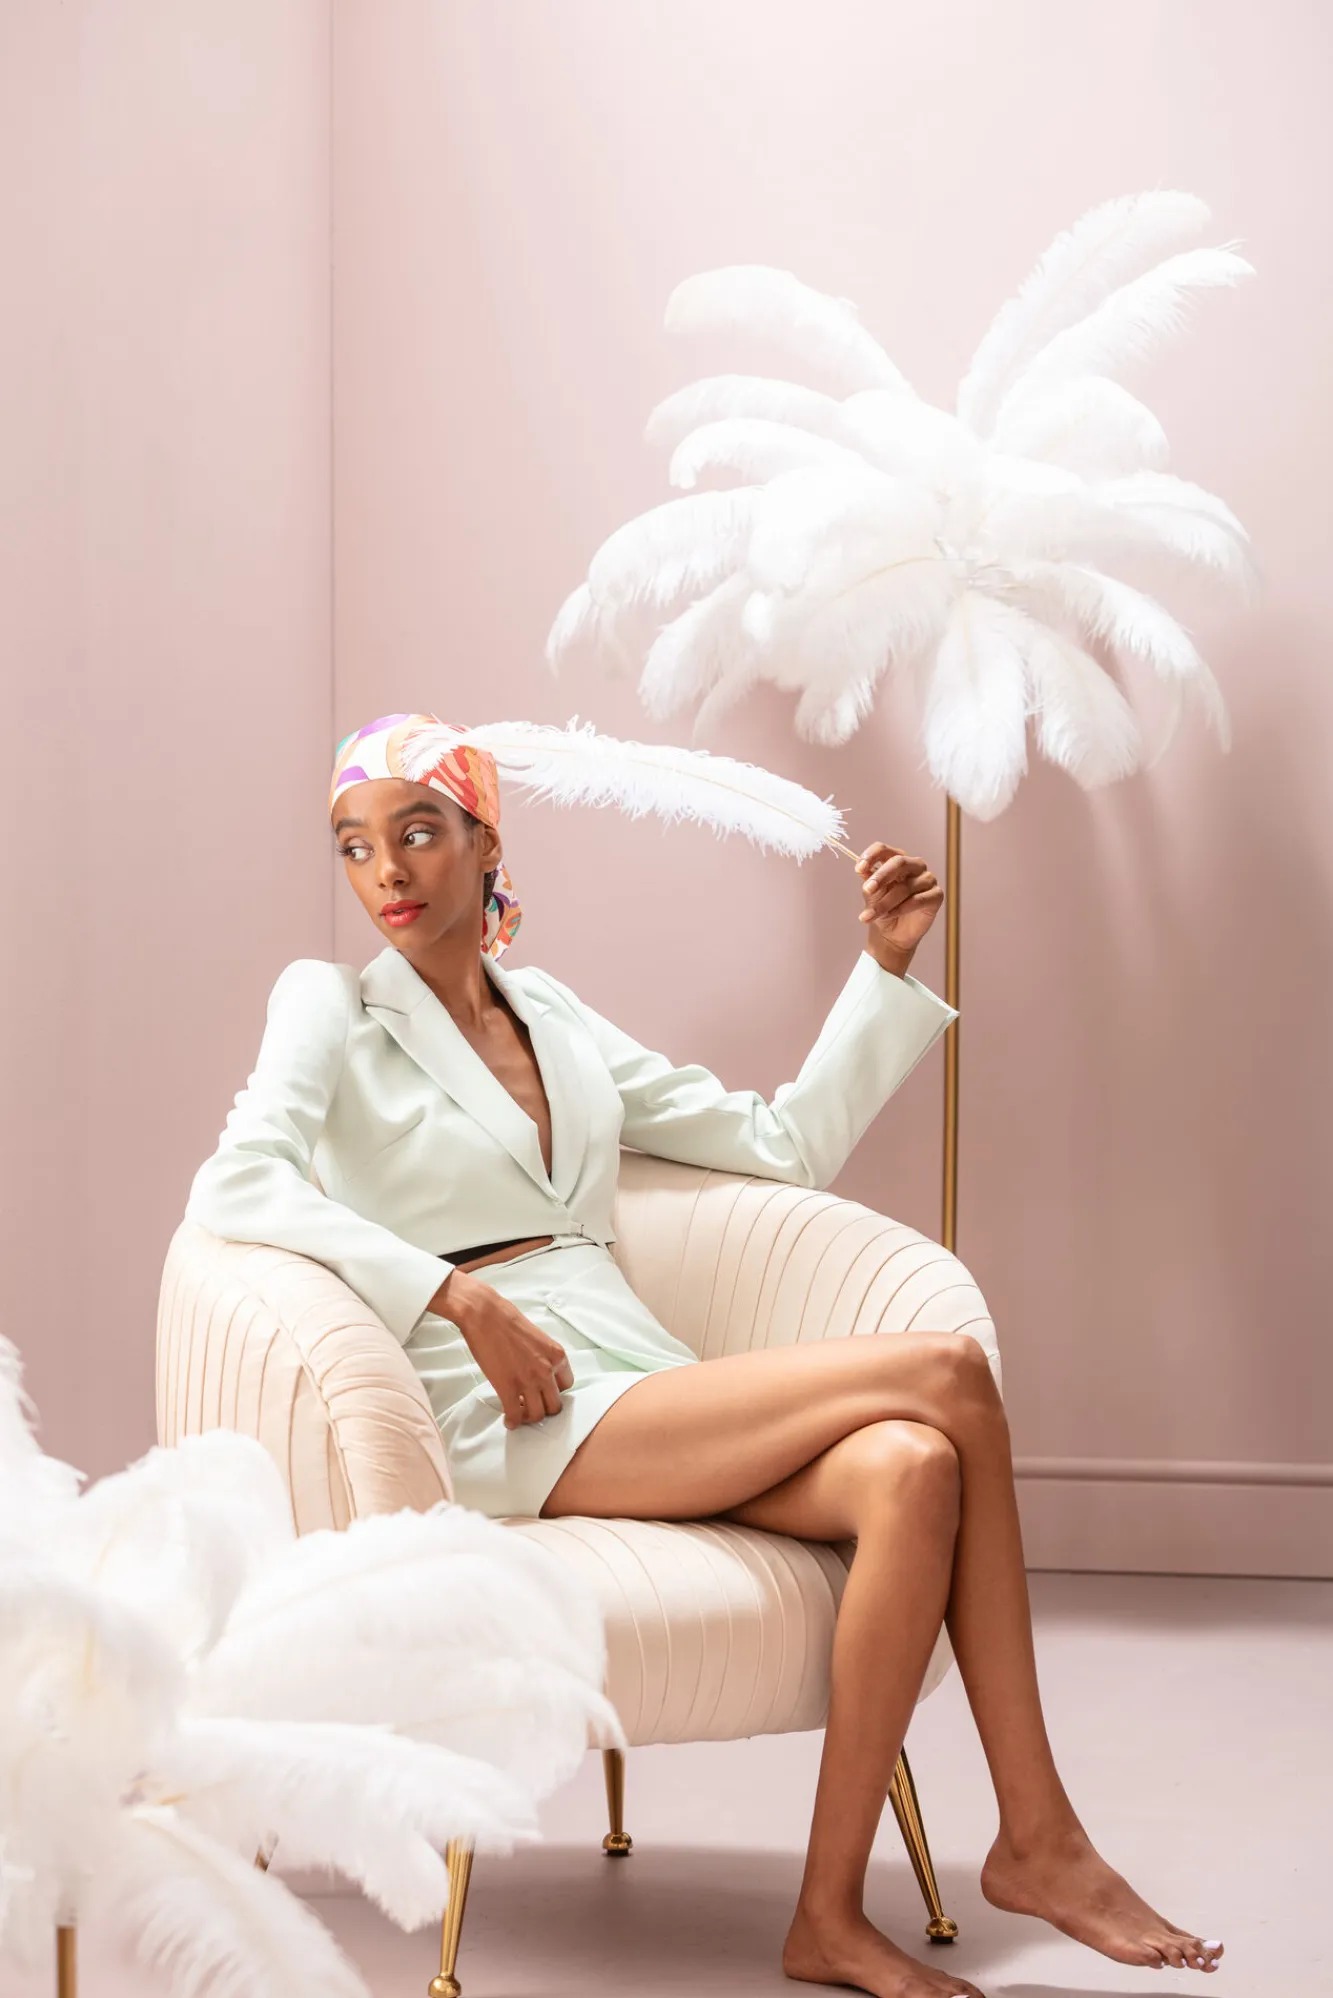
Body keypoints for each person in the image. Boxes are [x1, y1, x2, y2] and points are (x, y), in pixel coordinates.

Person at [188, 712, 1222, 1998]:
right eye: (354, 845)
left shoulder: (553, 1014)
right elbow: (239, 1182)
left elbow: (778, 1146)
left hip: (634, 1368)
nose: (386, 870)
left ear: (484, 840)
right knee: (948, 1376)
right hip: (505, 1402)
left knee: (910, 1468)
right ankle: (1039, 1837)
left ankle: (829, 1916)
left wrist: (884, 967)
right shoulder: (330, 1006)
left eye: (417, 832)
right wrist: (450, 1293)